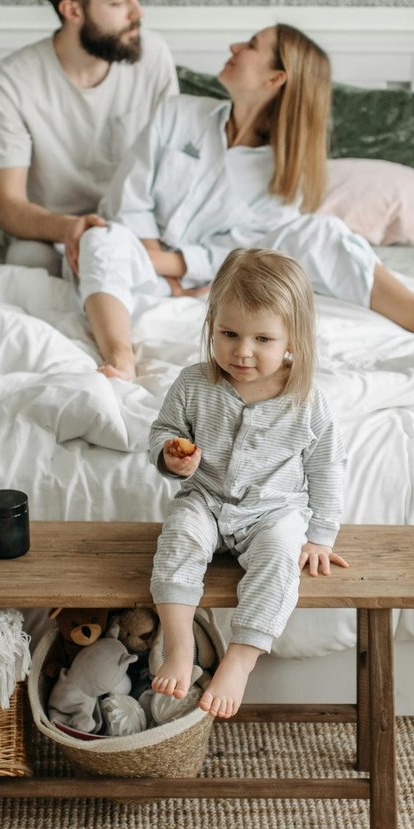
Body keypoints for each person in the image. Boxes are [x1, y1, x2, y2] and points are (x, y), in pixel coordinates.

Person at [76, 23, 414, 379]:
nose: (233, 46)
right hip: (138, 272)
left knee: (320, 232)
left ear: (275, 78)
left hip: (217, 284)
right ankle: (121, 358)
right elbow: (130, 202)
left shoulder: (287, 175)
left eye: (250, 46)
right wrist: (159, 266)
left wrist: (179, 271)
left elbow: (239, 251)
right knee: (102, 238)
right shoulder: (177, 113)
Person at [149, 248, 347, 719]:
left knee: (281, 559)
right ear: (211, 324)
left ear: (292, 340)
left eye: (262, 338)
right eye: (229, 334)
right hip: (207, 498)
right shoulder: (194, 384)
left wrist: (322, 534)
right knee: (179, 535)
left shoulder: (307, 400)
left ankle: (240, 659)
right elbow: (164, 432)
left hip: (274, 512)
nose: (242, 351)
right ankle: (179, 647)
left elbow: (327, 467)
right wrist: (170, 457)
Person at [0, 0, 178, 275]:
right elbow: (9, 206)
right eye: (118, 2)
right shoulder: (9, 82)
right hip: (50, 231)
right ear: (72, 10)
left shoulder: (153, 55)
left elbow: (172, 168)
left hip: (135, 224)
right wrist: (71, 229)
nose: (137, 12)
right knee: (27, 264)